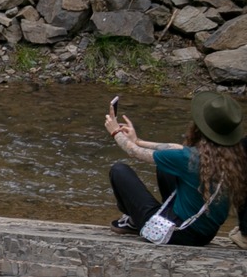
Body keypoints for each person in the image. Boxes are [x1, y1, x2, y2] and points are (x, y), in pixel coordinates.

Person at [104, 91, 245, 244]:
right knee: (165, 168)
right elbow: (175, 149)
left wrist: (115, 131)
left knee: (119, 171)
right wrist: (138, 141)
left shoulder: (188, 158)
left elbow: (134, 152)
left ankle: (134, 221)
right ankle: (152, 216)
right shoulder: (232, 158)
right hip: (204, 233)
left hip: (178, 233)